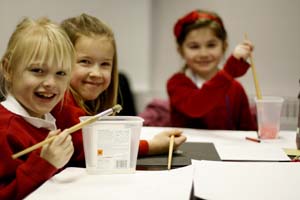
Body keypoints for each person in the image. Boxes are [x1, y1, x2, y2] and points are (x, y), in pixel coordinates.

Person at [52, 13, 186, 157]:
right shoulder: (62, 103)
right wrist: (152, 146)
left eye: (105, 64)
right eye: (85, 62)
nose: (96, 73)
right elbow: (91, 149)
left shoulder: (86, 102)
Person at [0, 17, 76, 200]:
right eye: (37, 71)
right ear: (8, 69)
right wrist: (45, 163)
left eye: (60, 73)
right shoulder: (4, 130)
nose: (50, 83)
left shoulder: (45, 119)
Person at [167, 9, 257, 130]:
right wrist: (229, 70)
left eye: (211, 45)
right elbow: (196, 107)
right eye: (194, 46)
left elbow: (248, 131)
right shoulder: (176, 83)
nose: (203, 53)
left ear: (224, 46)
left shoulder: (236, 89)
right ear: (181, 51)